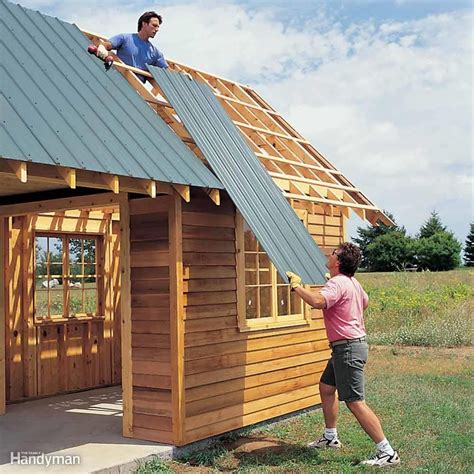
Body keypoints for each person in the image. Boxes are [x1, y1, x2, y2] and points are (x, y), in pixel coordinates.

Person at [286, 243, 400, 467]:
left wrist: (296, 287)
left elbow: (319, 302)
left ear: (338, 262)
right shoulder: (352, 282)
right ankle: (330, 437)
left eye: (333, 253)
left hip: (347, 348)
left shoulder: (338, 283)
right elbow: (364, 302)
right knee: (327, 388)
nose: (330, 255)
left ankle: (387, 452)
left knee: (355, 401)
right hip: (346, 347)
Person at [96, 11, 168, 82]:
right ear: (144, 24)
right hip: (118, 82)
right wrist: (102, 47)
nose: (157, 29)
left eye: (158, 27)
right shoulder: (125, 38)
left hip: (137, 90)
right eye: (154, 25)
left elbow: (168, 72)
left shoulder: (155, 53)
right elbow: (106, 44)